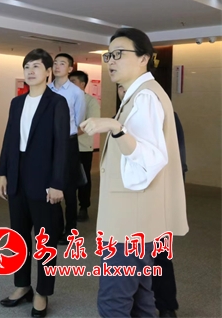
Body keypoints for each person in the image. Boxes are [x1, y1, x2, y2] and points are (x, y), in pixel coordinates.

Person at [80, 28, 188, 318]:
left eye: (119, 54)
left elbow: (150, 158)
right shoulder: (140, 94)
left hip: (130, 221)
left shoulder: (146, 98)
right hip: (136, 219)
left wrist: (116, 128)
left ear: (144, 58)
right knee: (141, 297)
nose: (111, 61)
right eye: (108, 55)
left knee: (114, 300)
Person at [0, 49, 68, 317]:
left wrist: (57, 183)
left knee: (45, 240)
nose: (30, 71)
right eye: (27, 66)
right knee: (18, 236)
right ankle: (22, 285)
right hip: (17, 174)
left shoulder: (57, 103)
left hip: (44, 178)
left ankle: (43, 292)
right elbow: (9, 139)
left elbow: (62, 146)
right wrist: (3, 173)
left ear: (48, 72)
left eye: (36, 66)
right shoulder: (17, 102)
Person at [116, 85, 188, 318]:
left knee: (159, 254)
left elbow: (177, 160)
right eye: (120, 87)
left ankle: (166, 306)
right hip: (130, 200)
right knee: (133, 256)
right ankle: (139, 304)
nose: (123, 90)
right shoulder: (121, 117)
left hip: (157, 197)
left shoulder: (164, 113)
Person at [47, 53, 85, 245]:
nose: (57, 66)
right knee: (50, 185)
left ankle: (70, 232)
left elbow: (79, 121)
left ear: (70, 69)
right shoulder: (46, 89)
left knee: (69, 189)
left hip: (68, 142)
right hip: (48, 142)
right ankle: (54, 228)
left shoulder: (76, 93)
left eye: (62, 63)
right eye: (55, 63)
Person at [68, 71, 100, 221]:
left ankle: (84, 207)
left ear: (82, 84)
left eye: (73, 82)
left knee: (83, 178)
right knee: (66, 178)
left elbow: (90, 125)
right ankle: (70, 206)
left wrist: (70, 136)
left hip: (83, 148)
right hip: (66, 147)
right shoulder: (65, 99)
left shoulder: (90, 101)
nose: (69, 85)